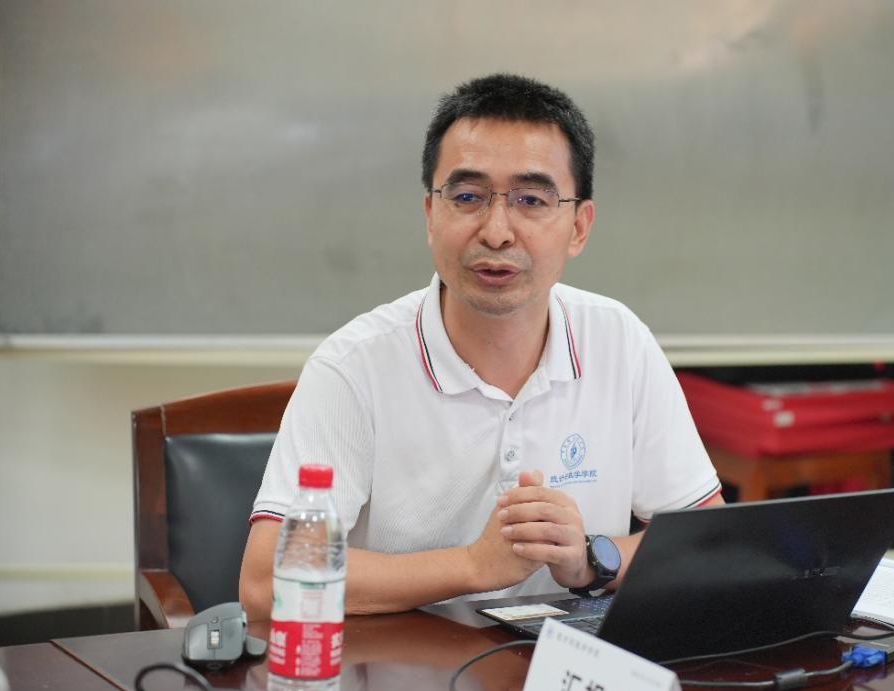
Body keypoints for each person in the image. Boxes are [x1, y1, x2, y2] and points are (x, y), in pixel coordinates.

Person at [239, 73, 722, 620]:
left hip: (567, 666)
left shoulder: (619, 341)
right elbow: (266, 581)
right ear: (431, 215)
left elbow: (706, 543)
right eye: (467, 197)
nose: (496, 232)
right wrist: (473, 565)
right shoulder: (354, 365)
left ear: (579, 227)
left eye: (531, 200)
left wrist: (590, 560)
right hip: (402, 668)